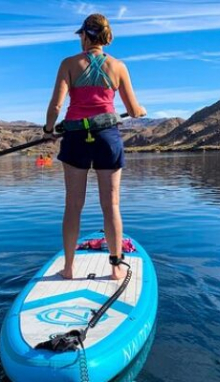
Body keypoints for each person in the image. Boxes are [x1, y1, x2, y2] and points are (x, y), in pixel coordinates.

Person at [43, 13, 146, 280]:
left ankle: (68, 268)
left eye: (81, 35)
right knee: (111, 204)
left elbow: (56, 106)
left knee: (73, 205)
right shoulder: (119, 67)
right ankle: (115, 268)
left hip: (76, 139)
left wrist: (48, 131)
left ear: (86, 36)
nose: (80, 39)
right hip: (107, 139)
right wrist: (140, 110)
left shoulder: (68, 64)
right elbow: (133, 109)